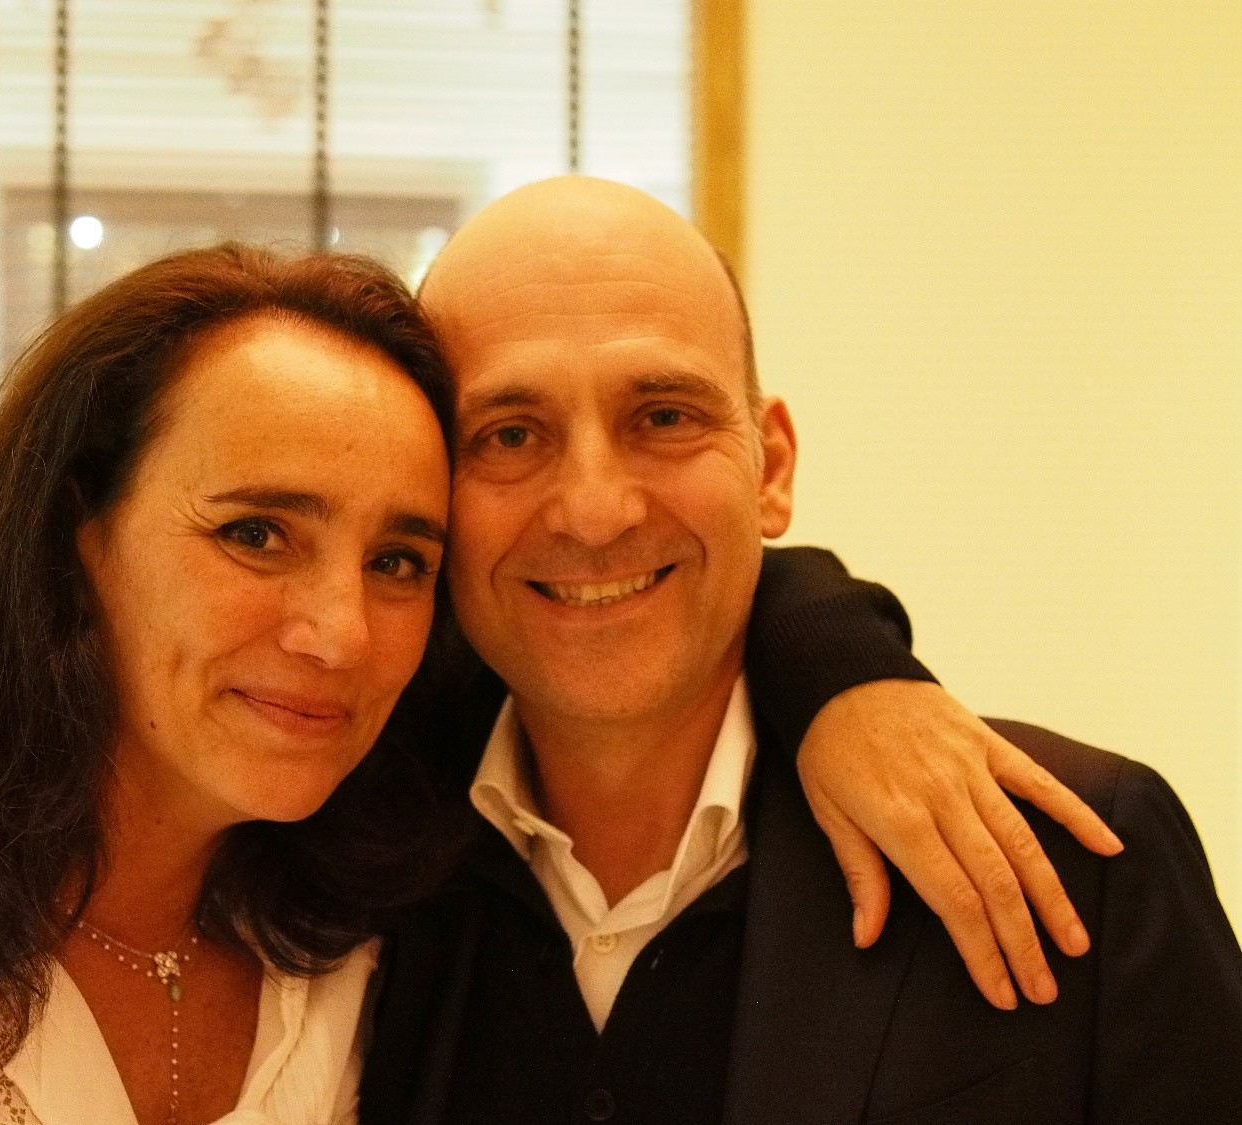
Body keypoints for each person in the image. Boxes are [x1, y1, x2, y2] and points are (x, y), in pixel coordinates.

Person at [0, 243, 1108, 1125]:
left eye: (400, 559)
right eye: (256, 533)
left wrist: (845, 675)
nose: (340, 632)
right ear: (75, 536)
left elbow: (644, 585)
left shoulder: (385, 880)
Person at [358, 177, 1242, 1124]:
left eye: (664, 416)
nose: (596, 510)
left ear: (771, 467)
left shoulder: (1072, 857)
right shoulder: (343, 862)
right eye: (510, 435)